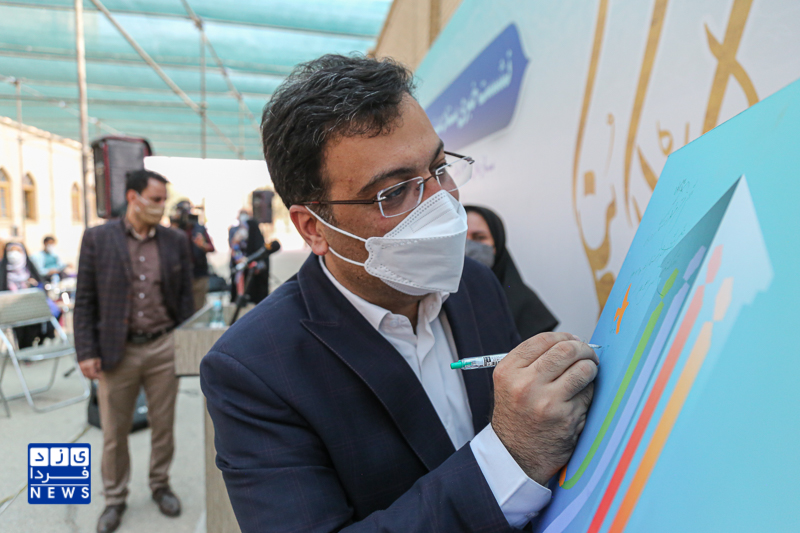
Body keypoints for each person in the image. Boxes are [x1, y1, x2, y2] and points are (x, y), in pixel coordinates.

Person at [201, 55, 598, 532]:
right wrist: (509, 458)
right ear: (313, 228)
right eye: (393, 193)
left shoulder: (474, 284)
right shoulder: (254, 369)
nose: (442, 204)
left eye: (440, 168)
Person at [74, 169, 194, 533]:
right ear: (132, 198)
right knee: (114, 432)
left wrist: (185, 342)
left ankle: (160, 485)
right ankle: (114, 498)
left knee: (163, 427)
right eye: (155, 199)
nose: (161, 206)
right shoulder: (98, 238)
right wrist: (86, 351)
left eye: (164, 200)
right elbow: (85, 299)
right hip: (117, 351)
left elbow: (186, 297)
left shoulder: (175, 240)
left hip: (163, 347)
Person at [464, 205, 559, 340]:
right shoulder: (439, 298)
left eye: (479, 237)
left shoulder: (521, 301)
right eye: (461, 237)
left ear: (497, 242)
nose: (468, 246)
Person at [228, 208, 280, 305]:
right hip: (242, 274)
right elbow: (234, 250)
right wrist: (235, 242)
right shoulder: (235, 232)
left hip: (255, 285)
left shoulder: (258, 242)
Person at [170, 200, 215, 311]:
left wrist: (202, 245)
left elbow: (212, 248)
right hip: (180, 275)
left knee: (198, 308)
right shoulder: (175, 230)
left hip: (199, 274)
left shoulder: (199, 228)